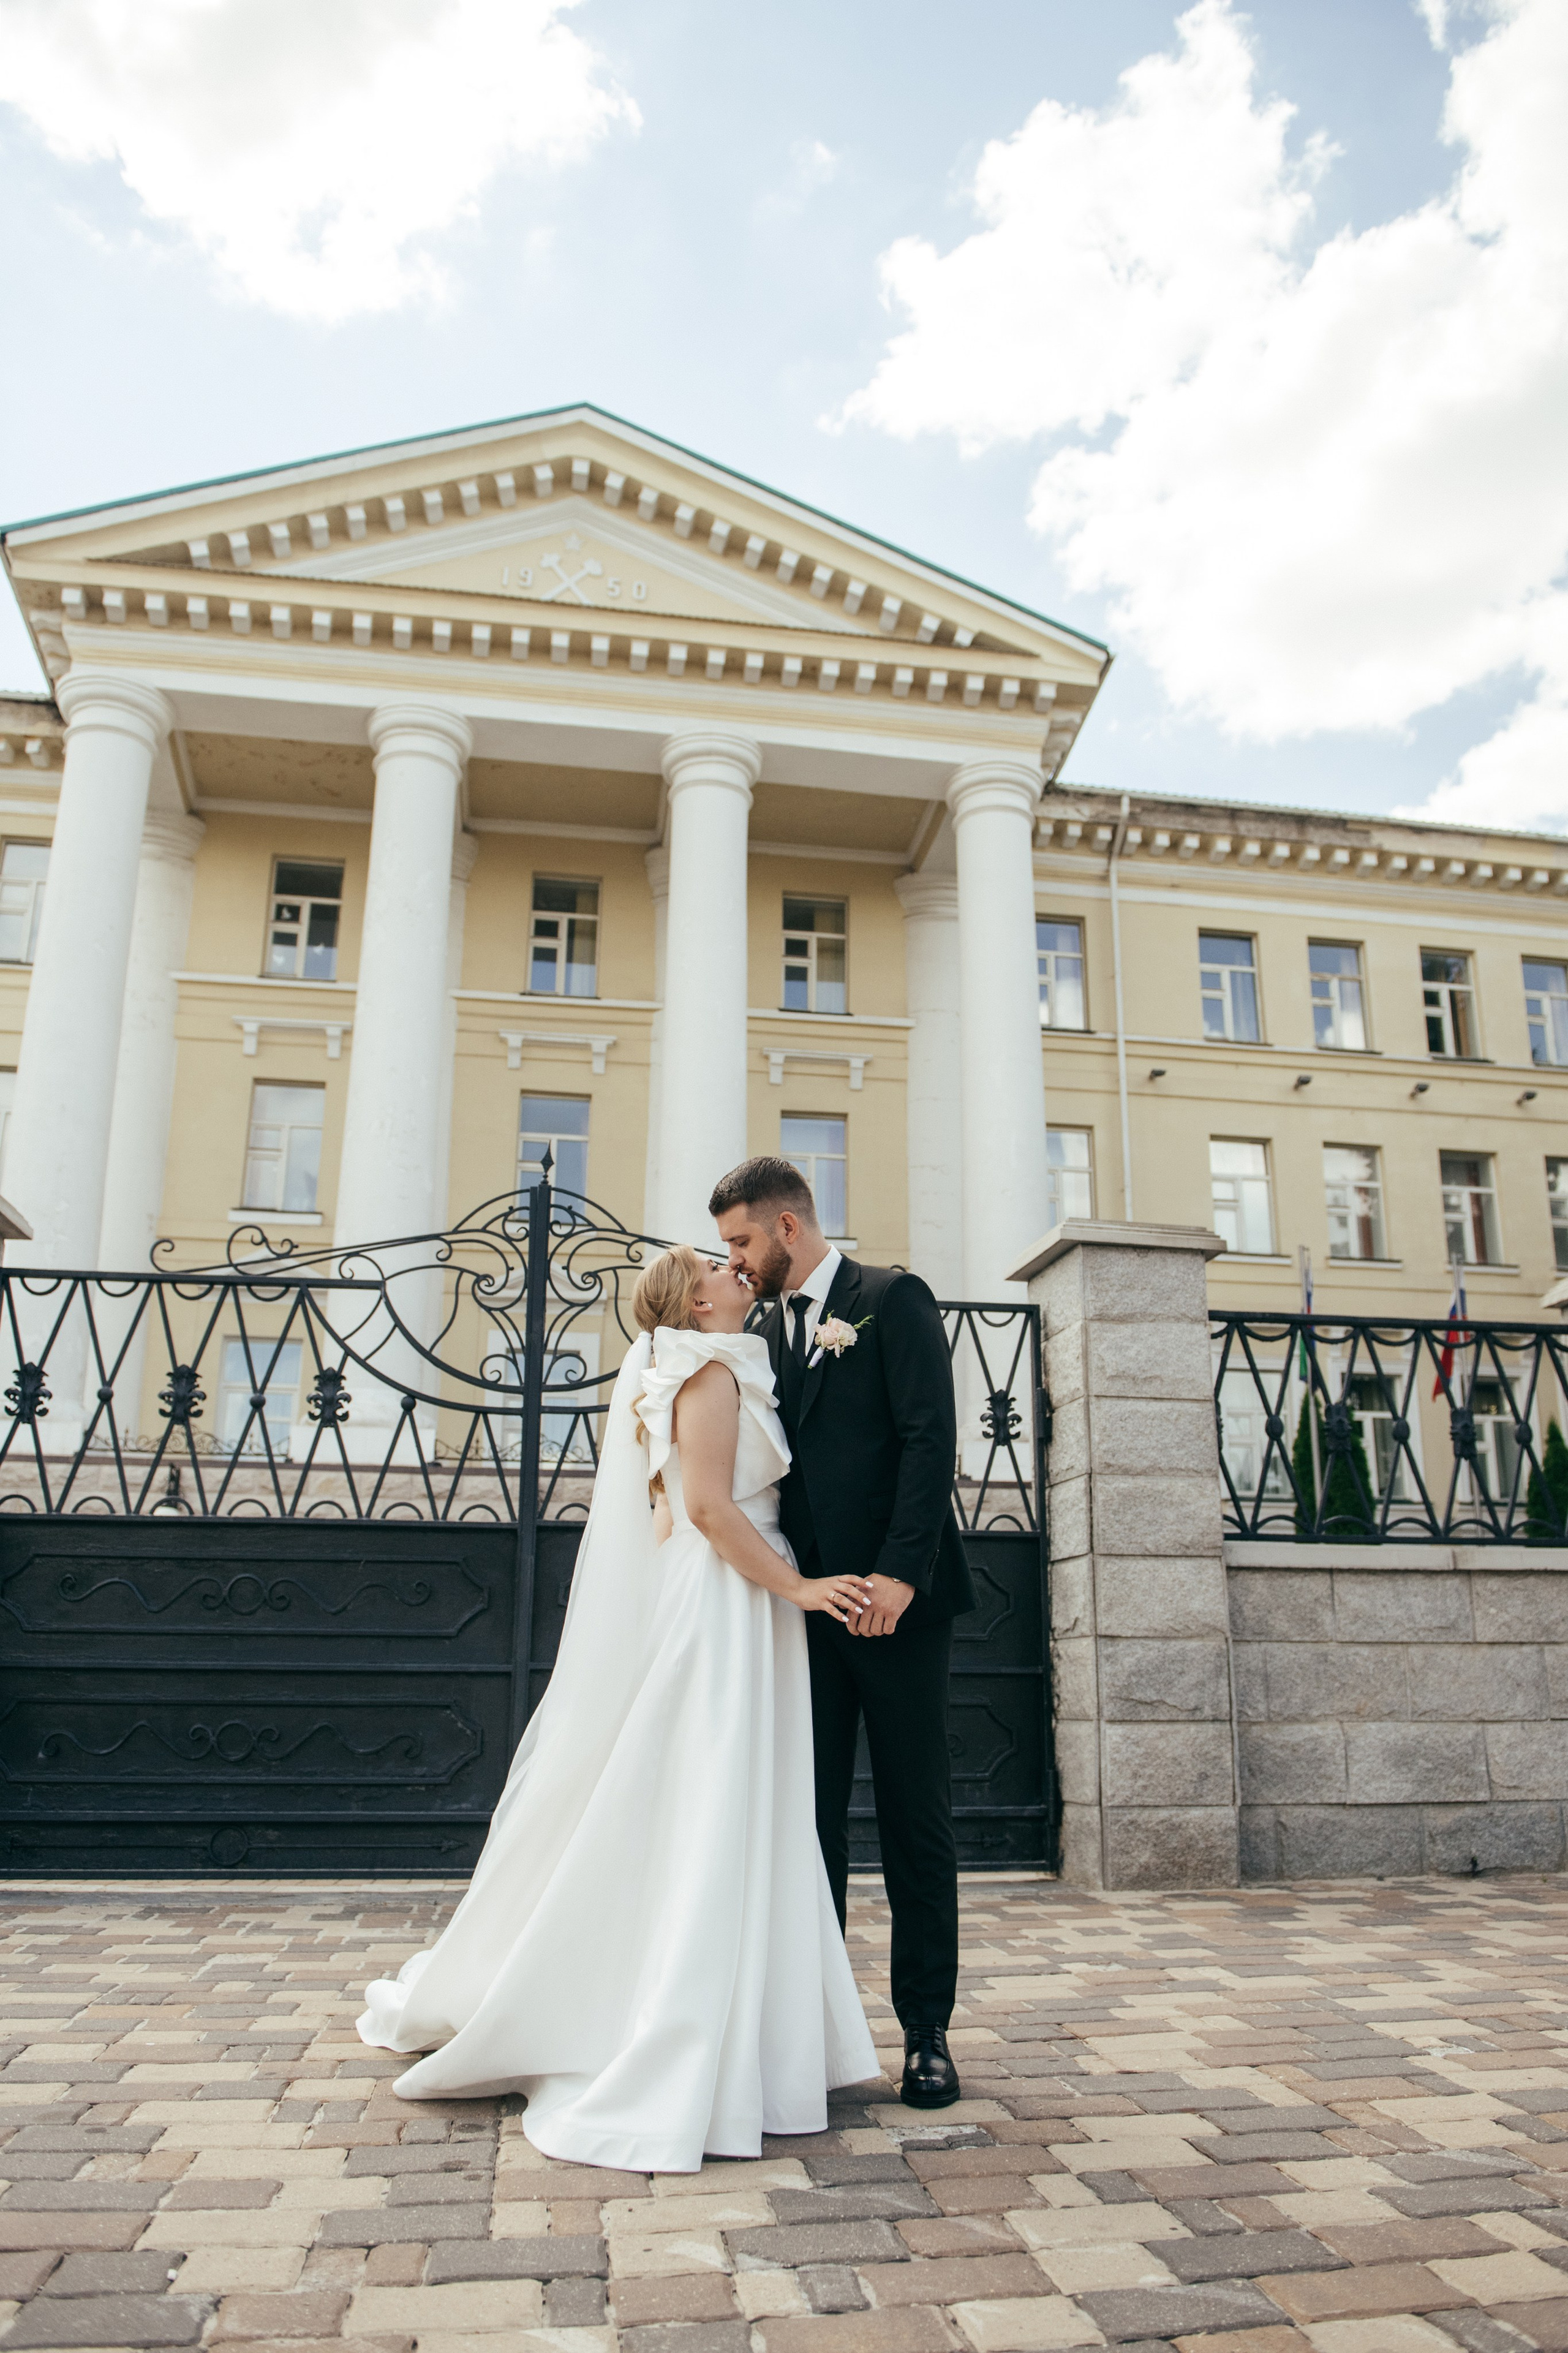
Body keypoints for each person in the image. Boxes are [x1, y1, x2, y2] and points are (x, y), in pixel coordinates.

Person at [356, 1244, 878, 2172]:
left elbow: (679, 1511)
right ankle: (688, 2024)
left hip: (718, 1590)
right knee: (718, 1799)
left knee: (703, 1794)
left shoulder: (685, 1368)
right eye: (716, 1268)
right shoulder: (708, 1373)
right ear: (694, 1302)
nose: (734, 1270)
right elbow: (714, 1511)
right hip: (731, 1597)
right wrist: (797, 1589)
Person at [710, 1156, 975, 2110]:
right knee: (808, 1824)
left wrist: (903, 1573)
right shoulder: (766, 1327)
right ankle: (816, 2036)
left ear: (788, 1227)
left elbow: (928, 1437)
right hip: (809, 1613)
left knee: (915, 1820)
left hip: (898, 1607)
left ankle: (929, 2035)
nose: (732, 1259)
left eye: (741, 1240)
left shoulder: (890, 1298)